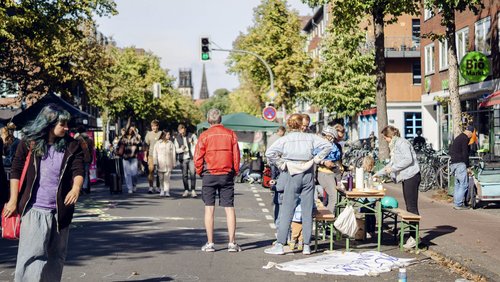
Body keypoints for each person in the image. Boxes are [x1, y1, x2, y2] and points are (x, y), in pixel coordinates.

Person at [2, 104, 84, 281]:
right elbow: (16, 170)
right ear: (49, 123)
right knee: (30, 257)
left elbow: (79, 170)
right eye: (62, 124)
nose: (66, 128)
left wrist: (76, 187)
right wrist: (13, 200)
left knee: (56, 258)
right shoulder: (29, 143)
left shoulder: (72, 145)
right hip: (34, 210)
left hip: (60, 212)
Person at [264, 113, 331, 255]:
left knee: (287, 210)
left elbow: (270, 153)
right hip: (308, 173)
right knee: (307, 210)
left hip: (291, 173)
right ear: (301, 124)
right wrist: (317, 159)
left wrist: (281, 164)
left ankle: (280, 244)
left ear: (289, 125)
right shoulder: (311, 137)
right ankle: (306, 245)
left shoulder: (285, 139)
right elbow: (327, 145)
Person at [194, 108, 241, 252]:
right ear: (221, 120)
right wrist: (235, 171)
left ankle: (210, 243)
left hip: (209, 174)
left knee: (209, 209)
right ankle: (232, 243)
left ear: (208, 120)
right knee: (229, 208)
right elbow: (236, 156)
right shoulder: (230, 134)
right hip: (226, 173)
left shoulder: (204, 135)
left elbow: (198, 157)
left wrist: (200, 171)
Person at [381, 125, 421, 249]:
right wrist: (378, 173)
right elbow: (392, 163)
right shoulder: (395, 145)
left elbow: (408, 160)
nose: (385, 141)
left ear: (390, 136)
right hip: (406, 177)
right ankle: (412, 236)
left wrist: (392, 169)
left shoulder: (402, 143)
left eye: (385, 138)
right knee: (409, 207)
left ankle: (414, 238)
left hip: (411, 176)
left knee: (412, 208)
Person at [314, 126, 341, 213]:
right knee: (334, 197)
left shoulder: (335, 146)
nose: (324, 137)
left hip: (333, 173)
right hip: (324, 173)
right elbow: (315, 158)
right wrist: (324, 162)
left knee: (334, 197)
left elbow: (338, 160)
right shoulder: (320, 145)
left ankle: (330, 220)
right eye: (324, 135)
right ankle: (329, 221)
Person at [449, 125, 474, 210]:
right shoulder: (465, 139)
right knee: (464, 184)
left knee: (457, 184)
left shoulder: (458, 137)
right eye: (472, 134)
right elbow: (465, 153)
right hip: (460, 163)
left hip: (454, 163)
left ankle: (456, 202)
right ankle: (458, 204)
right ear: (470, 132)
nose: (471, 136)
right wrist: (467, 165)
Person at [175, 124, 198, 198]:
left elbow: (197, 145)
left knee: (192, 173)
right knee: (184, 175)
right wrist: (182, 149)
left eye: (182, 130)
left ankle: (193, 190)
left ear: (185, 129)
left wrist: (192, 143)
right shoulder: (177, 138)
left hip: (191, 158)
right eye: (180, 131)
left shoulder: (192, 135)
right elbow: (176, 150)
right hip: (183, 158)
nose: (182, 132)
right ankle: (186, 190)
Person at [118, 125, 142, 194]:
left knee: (134, 173)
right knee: (127, 174)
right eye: (130, 129)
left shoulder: (135, 137)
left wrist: (136, 133)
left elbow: (140, 143)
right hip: (125, 158)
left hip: (134, 157)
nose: (131, 131)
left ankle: (134, 185)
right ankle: (130, 188)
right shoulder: (123, 137)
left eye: (132, 130)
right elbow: (119, 145)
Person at [153, 130, 176, 197]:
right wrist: (155, 162)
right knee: (161, 178)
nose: (169, 136)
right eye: (168, 135)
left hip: (168, 163)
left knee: (167, 178)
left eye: (169, 135)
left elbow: (173, 154)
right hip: (160, 163)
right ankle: (162, 189)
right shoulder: (158, 143)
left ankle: (167, 191)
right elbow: (155, 153)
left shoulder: (171, 143)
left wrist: (174, 163)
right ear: (164, 135)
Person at [74, 125, 94, 194]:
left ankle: (81, 188)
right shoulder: (89, 139)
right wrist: (90, 158)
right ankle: (86, 188)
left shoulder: (77, 139)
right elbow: (91, 150)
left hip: (80, 158)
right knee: (86, 173)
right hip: (87, 158)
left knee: (79, 173)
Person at [144, 119, 162, 194]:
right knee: (151, 170)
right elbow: (146, 145)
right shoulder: (149, 134)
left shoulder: (161, 133)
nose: (153, 128)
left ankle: (158, 187)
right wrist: (145, 155)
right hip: (151, 155)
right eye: (152, 126)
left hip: (159, 155)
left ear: (158, 126)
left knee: (158, 172)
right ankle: (151, 187)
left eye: (155, 126)